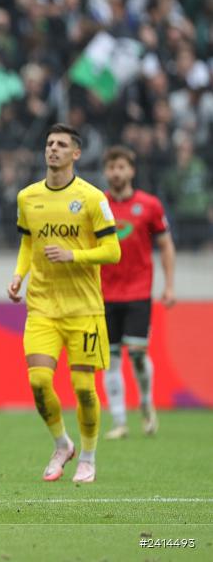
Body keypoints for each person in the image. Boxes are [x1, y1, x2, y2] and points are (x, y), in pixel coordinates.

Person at [7, 123, 121, 484]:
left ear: (76, 154)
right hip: (41, 306)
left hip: (84, 308)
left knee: (84, 388)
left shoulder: (92, 198)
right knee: (39, 382)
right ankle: (62, 444)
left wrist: (73, 255)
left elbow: (113, 251)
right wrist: (18, 275)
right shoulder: (28, 197)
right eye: (49, 143)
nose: (52, 149)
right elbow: (28, 242)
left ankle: (88, 456)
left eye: (61, 145)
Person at [100, 146, 176, 439]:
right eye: (111, 167)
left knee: (138, 356)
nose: (116, 172)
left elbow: (166, 245)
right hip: (104, 293)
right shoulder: (97, 204)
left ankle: (145, 402)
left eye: (121, 167)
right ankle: (119, 421)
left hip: (137, 292)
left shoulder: (149, 205)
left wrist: (169, 285)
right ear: (106, 171)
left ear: (131, 170)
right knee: (111, 358)